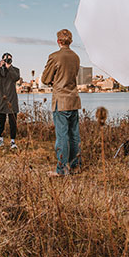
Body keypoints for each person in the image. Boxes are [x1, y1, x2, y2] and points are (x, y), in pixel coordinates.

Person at [41, 29, 82, 176]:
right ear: (70, 41)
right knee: (74, 134)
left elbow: (45, 79)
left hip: (61, 100)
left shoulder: (55, 57)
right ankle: (75, 166)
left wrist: (53, 80)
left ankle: (62, 170)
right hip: (74, 99)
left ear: (58, 41)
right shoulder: (76, 57)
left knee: (62, 135)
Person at [0, 52, 20, 149]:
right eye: (6, 59)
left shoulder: (15, 70)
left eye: (9, 59)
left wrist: (9, 67)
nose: (7, 61)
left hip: (11, 99)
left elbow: (16, 78)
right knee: (1, 121)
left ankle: (13, 141)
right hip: (1, 99)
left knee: (13, 121)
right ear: (2, 60)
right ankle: (1, 139)